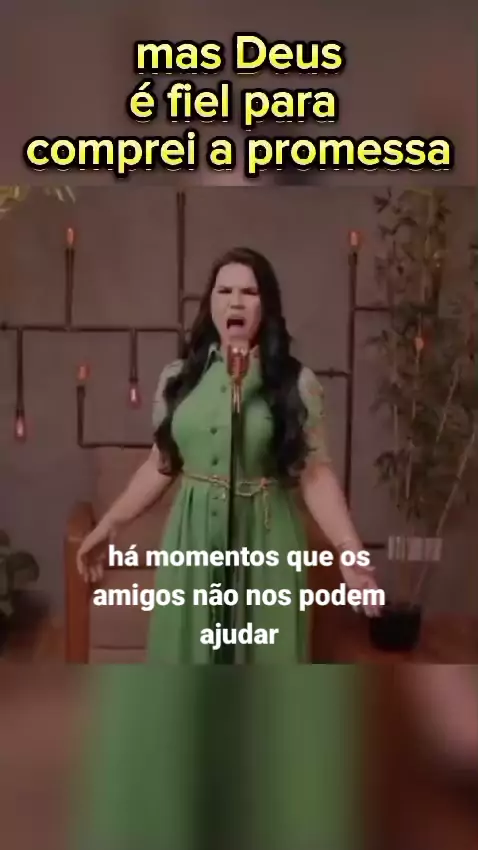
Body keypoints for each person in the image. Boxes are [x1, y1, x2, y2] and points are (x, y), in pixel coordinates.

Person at [77, 246, 381, 663]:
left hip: (268, 538)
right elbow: (160, 464)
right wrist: (109, 525)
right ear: (211, 304)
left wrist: (349, 548)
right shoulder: (178, 378)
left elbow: (314, 473)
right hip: (192, 536)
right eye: (224, 291)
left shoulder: (296, 382)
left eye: (249, 292)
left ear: (266, 306)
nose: (235, 301)